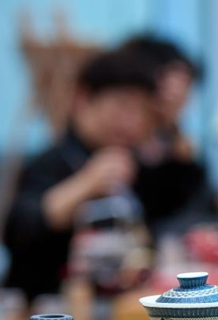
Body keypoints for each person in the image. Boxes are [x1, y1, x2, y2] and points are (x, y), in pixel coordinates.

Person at [3, 49, 156, 303]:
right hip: (42, 311)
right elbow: (18, 231)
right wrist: (86, 183)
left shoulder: (133, 164)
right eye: (122, 106)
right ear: (83, 99)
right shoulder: (49, 161)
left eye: (141, 112)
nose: (131, 123)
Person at [120, 35, 218, 240]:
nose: (180, 99)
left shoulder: (178, 148)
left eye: (186, 89)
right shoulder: (118, 151)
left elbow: (209, 212)